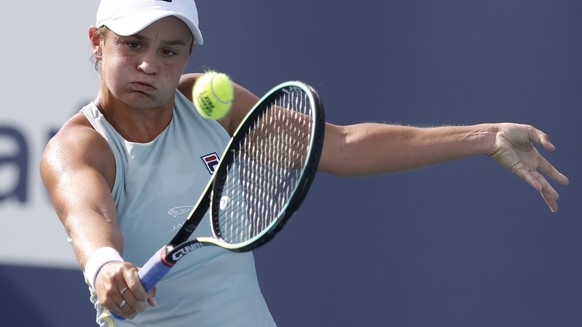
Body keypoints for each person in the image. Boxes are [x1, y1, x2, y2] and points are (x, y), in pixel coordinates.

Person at [39, 0, 569, 326]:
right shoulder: (80, 147)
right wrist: (105, 266)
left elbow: (337, 146)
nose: (151, 64)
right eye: (132, 44)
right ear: (97, 41)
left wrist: (484, 136)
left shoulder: (210, 101)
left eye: (170, 51)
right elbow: (89, 219)